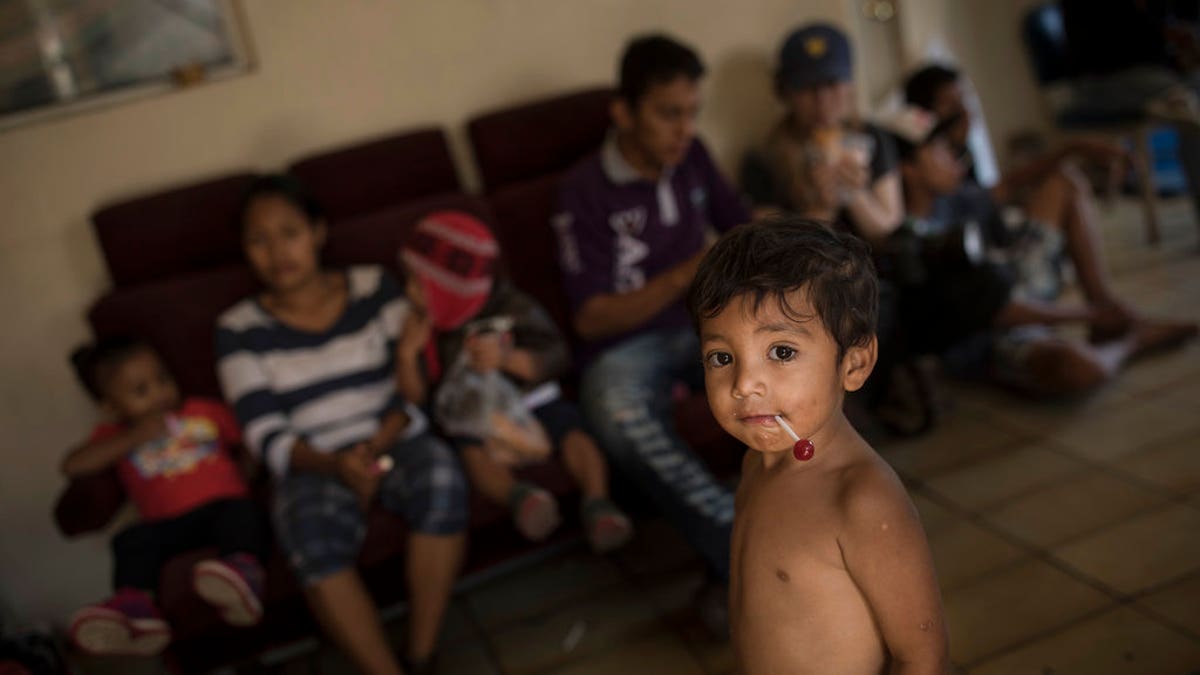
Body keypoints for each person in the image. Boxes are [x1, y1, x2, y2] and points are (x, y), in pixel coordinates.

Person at [215, 175, 468, 675]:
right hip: (313, 461)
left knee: (440, 477)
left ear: (318, 232)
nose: (276, 252)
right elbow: (264, 433)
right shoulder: (237, 328)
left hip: (394, 438)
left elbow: (413, 389)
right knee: (308, 535)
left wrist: (374, 446)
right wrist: (336, 463)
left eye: (289, 232)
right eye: (258, 240)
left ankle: (421, 657)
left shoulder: (375, 287)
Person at [687, 218, 949, 674]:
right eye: (722, 357)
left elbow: (923, 658)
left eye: (782, 352)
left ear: (855, 363)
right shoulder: (757, 463)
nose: (745, 383)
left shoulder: (862, 500)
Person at [554, 33, 749, 615]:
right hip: (624, 351)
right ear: (624, 112)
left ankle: (811, 512)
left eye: (692, 113)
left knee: (786, 348)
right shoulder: (582, 191)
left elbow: (739, 228)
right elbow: (590, 319)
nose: (684, 129)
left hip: (704, 321)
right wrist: (685, 273)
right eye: (668, 115)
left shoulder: (693, 157)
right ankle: (740, 548)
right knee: (616, 412)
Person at [888, 108, 1197, 393]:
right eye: (937, 151)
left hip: (1016, 286)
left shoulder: (956, 198)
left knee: (1062, 180)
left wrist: (1072, 150)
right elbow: (991, 310)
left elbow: (1009, 185)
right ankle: (1130, 338)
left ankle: (1105, 313)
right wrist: (1084, 314)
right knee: (1078, 368)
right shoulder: (915, 242)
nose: (952, 157)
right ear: (909, 170)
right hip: (989, 332)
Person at [395, 211, 634, 552]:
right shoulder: (423, 327)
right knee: (470, 450)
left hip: (533, 399)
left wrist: (506, 359)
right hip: (476, 418)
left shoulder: (510, 305)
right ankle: (521, 498)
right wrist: (407, 355)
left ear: (451, 289)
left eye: (419, 284)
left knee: (571, 429)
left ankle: (598, 503)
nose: (408, 292)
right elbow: (418, 398)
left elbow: (556, 354)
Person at [62, 337, 268, 657]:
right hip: (166, 525)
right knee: (129, 540)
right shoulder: (115, 436)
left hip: (220, 506)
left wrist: (245, 473)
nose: (160, 393)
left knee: (242, 513)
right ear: (112, 407)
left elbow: (251, 436)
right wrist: (133, 436)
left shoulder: (201, 411)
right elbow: (73, 465)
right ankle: (137, 611)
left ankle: (240, 575)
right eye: (141, 391)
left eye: (163, 379)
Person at [741, 22, 903, 243]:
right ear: (787, 93)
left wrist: (854, 193)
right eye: (808, 88)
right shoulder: (764, 158)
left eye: (832, 83)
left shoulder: (871, 137)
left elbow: (888, 227)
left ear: (849, 85)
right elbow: (771, 249)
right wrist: (821, 208)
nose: (822, 100)